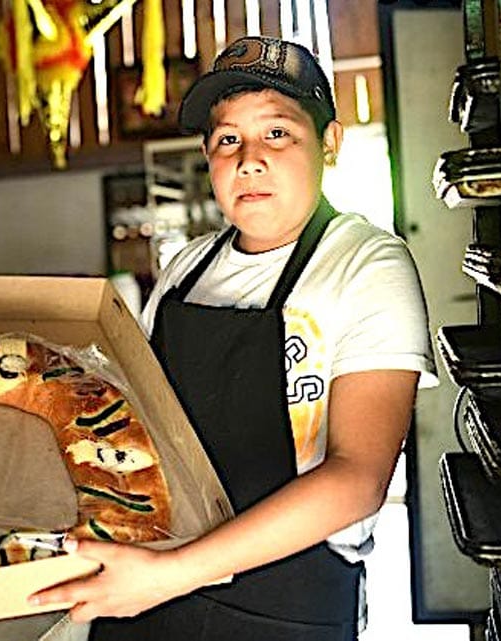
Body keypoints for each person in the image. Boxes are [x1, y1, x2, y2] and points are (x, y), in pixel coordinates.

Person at [30, 35, 437, 640]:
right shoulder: (184, 270)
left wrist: (172, 574)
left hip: (285, 606)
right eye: (228, 139)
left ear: (330, 144)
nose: (249, 159)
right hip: (146, 589)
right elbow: (142, 433)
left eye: (277, 133)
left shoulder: (366, 264)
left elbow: (357, 479)